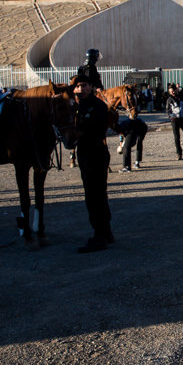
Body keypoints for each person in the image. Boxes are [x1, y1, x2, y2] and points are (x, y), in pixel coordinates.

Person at [72, 74, 113, 253]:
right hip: (85, 153)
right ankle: (106, 232)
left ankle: (99, 235)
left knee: (94, 196)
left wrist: (75, 134)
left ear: (90, 86)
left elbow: (95, 130)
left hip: (95, 152)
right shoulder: (77, 106)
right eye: (77, 86)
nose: (81, 89)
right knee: (97, 195)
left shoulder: (97, 106)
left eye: (84, 85)